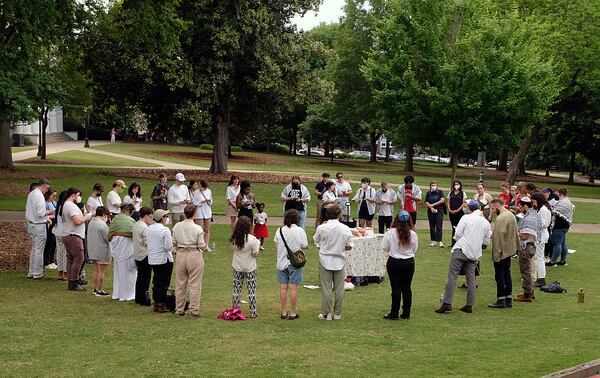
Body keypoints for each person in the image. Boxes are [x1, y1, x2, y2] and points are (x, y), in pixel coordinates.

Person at [436, 200, 490, 314]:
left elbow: (457, 234)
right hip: (474, 254)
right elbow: (486, 241)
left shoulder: (466, 218)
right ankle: (469, 305)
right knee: (471, 279)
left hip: (461, 250)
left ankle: (447, 303)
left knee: (452, 276)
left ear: (470, 209)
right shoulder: (485, 222)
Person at [313, 206, 353, 320]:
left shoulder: (322, 228)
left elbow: (315, 240)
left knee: (326, 288)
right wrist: (340, 246)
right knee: (339, 289)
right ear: (339, 215)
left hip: (326, 259)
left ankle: (327, 314)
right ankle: (337, 313)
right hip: (339, 260)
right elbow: (349, 246)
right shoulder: (345, 228)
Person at [382, 211, 418, 320]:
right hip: (408, 262)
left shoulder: (390, 232)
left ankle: (394, 313)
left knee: (396, 288)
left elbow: (384, 247)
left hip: (394, 261)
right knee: (407, 288)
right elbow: (414, 248)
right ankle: (406, 313)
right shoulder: (412, 234)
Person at [273, 209, 308, 320]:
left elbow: (276, 246)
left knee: (283, 288)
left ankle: (283, 312)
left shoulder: (280, 230)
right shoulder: (299, 230)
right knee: (293, 288)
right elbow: (304, 244)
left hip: (281, 262)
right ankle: (293, 312)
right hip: (294, 262)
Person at [173, 204, 206, 319]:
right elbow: (201, 245)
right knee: (195, 284)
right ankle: (194, 310)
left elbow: (174, 242)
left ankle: (179, 309)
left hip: (181, 254)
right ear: (194, 214)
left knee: (180, 283)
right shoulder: (198, 228)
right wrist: (205, 247)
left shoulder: (177, 226)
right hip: (193, 255)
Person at [59, 187, 93, 291]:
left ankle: (72, 281)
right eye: (78, 195)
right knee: (79, 258)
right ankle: (74, 281)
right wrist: (87, 216)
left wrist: (82, 215)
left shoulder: (66, 205)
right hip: (73, 236)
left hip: (68, 234)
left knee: (71, 258)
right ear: (73, 195)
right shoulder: (70, 205)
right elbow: (77, 221)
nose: (79, 197)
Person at [488, 200, 519, 309]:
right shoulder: (511, 215)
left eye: (492, 208)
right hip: (510, 250)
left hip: (502, 251)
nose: (492, 211)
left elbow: (498, 237)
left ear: (496, 206)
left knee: (500, 275)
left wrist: (496, 254)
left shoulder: (500, 218)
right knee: (507, 273)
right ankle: (508, 298)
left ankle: (501, 299)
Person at [230, 216, 260, 318]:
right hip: (250, 267)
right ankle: (253, 311)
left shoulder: (234, 238)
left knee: (236, 289)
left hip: (237, 266)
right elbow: (255, 254)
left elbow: (233, 248)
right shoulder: (253, 240)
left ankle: (235, 309)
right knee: (251, 289)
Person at [515, 197, 542, 302]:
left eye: (520, 206)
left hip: (526, 247)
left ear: (525, 206)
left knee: (525, 271)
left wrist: (515, 232)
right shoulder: (535, 215)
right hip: (532, 246)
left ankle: (527, 294)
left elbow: (524, 236)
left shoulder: (529, 218)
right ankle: (531, 291)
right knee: (529, 271)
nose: (519, 208)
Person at [108, 203, 137, 302]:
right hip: (126, 247)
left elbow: (111, 234)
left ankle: (118, 293)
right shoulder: (130, 221)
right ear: (129, 211)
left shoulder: (114, 219)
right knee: (129, 272)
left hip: (117, 247)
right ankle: (127, 294)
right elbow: (134, 233)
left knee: (119, 272)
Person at [147, 209, 173, 313]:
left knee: (156, 280)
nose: (167, 218)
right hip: (163, 259)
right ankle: (161, 303)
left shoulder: (150, 228)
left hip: (153, 258)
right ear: (162, 218)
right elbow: (167, 246)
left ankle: (157, 302)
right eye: (166, 216)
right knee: (163, 282)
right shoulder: (164, 230)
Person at [25, 178, 52, 279]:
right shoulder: (39, 195)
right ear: (43, 186)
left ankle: (31, 271)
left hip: (31, 224)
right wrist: (52, 211)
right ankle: (37, 273)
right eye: (47, 188)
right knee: (39, 250)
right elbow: (41, 213)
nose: (47, 191)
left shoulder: (32, 193)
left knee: (34, 249)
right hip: (38, 225)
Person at [546, 187, 574, 267]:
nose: (556, 194)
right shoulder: (568, 201)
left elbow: (554, 212)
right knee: (563, 243)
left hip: (559, 226)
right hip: (565, 225)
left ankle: (553, 261)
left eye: (557, 193)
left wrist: (549, 208)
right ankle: (563, 261)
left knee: (557, 244)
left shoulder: (562, 202)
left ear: (560, 193)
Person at [87, 206, 111, 297]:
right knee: (101, 271)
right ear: (104, 215)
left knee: (95, 270)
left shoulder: (91, 222)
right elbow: (108, 238)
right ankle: (99, 290)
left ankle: (96, 288)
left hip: (93, 249)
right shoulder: (102, 225)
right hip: (102, 250)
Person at [133, 206, 154, 306]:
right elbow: (148, 242)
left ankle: (138, 298)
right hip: (145, 255)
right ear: (145, 216)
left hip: (137, 254)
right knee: (146, 278)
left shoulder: (136, 224)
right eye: (150, 216)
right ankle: (144, 299)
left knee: (140, 277)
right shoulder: (145, 227)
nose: (151, 218)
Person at [531, 191, 552, 288]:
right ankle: (540, 277)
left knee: (539, 258)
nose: (534, 204)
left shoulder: (543, 210)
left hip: (541, 235)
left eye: (534, 201)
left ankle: (541, 278)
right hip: (540, 235)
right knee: (538, 257)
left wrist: (533, 222)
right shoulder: (543, 209)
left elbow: (543, 224)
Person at [190, 179, 212, 249]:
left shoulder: (209, 191)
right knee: (199, 230)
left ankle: (206, 245)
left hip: (207, 212)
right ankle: (199, 245)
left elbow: (211, 202)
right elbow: (194, 202)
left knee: (207, 230)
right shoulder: (197, 192)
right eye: (203, 187)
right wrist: (201, 202)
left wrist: (208, 201)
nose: (204, 189)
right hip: (199, 212)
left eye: (205, 187)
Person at [53, 190, 69, 281]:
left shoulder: (58, 206)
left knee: (59, 252)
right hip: (64, 232)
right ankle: (65, 274)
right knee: (65, 253)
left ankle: (60, 273)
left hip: (57, 231)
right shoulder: (65, 207)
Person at [424, 181, 445, 247]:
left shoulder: (440, 192)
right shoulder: (428, 193)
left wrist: (433, 205)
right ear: (430, 186)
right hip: (430, 211)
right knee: (432, 225)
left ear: (437, 186)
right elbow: (426, 202)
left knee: (439, 225)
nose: (433, 186)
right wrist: (431, 207)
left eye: (435, 185)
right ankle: (433, 241)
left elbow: (442, 200)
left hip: (439, 210)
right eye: (432, 185)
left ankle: (440, 241)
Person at [447, 180, 467, 247]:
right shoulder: (450, 193)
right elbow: (448, 202)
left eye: (457, 184)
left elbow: (463, 203)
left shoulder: (463, 193)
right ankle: (453, 243)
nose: (456, 186)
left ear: (460, 185)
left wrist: (457, 210)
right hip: (451, 213)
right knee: (453, 227)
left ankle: (459, 243)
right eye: (455, 184)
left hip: (459, 213)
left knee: (459, 228)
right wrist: (449, 209)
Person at [43, 188, 58, 269]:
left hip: (55, 223)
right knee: (49, 243)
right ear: (48, 195)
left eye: (56, 196)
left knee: (53, 243)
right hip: (49, 224)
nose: (55, 197)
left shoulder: (54, 203)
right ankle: (46, 261)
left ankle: (52, 260)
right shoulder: (45, 203)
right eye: (53, 195)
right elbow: (45, 215)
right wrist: (52, 215)